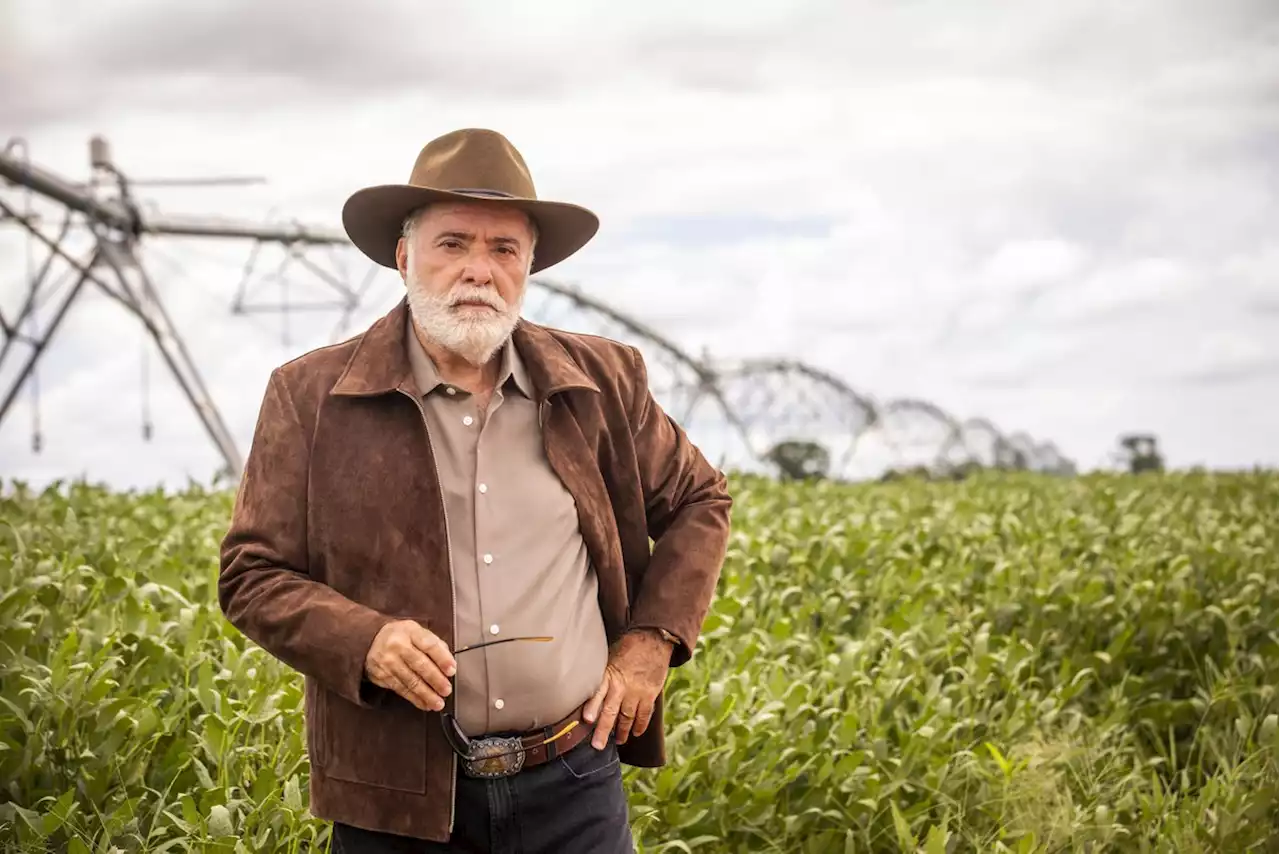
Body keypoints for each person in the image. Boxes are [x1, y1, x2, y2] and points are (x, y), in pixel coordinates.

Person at [217, 128, 733, 853]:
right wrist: (365, 641)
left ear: (528, 267)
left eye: (503, 250)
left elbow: (700, 500)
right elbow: (251, 576)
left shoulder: (604, 382)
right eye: (453, 244)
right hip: (397, 804)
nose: (479, 271)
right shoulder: (312, 396)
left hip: (575, 783)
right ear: (404, 258)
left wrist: (653, 641)